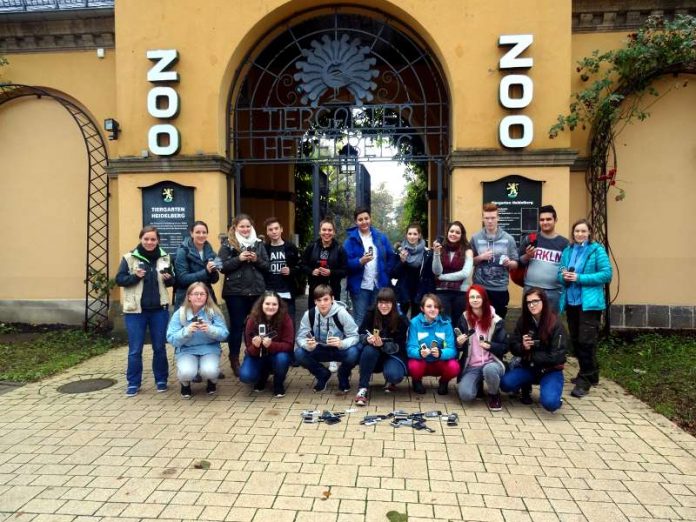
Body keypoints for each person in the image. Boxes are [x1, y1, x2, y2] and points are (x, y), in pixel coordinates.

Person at [115, 225, 173, 397]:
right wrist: (135, 277)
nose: (149, 242)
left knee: (159, 347)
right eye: (146, 239)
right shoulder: (129, 257)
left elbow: (172, 281)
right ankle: (133, 383)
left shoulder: (165, 257)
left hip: (159, 310)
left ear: (158, 241)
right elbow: (119, 279)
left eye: (153, 239)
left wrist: (169, 279)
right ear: (141, 239)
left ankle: (161, 379)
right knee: (135, 348)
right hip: (135, 311)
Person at [558, 219, 612, 398]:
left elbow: (606, 274)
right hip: (571, 302)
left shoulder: (597, 250)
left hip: (589, 303)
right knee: (576, 339)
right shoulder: (567, 251)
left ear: (589, 233)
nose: (579, 234)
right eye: (576, 231)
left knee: (586, 341)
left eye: (583, 231)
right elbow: (560, 273)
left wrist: (580, 277)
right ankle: (592, 373)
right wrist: (564, 276)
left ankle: (585, 380)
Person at [501, 287, 567, 412]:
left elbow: (558, 356)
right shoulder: (523, 320)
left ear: (544, 301)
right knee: (505, 384)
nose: (532, 305)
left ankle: (554, 394)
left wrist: (531, 354)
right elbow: (513, 345)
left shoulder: (555, 324)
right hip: (528, 367)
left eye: (535, 301)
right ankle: (525, 387)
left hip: (550, 370)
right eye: (529, 302)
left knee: (550, 404)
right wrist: (522, 346)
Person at [219, 214, 269, 376]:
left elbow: (267, 266)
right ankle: (234, 358)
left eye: (248, 226)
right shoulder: (227, 244)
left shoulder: (259, 243)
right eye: (242, 226)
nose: (245, 229)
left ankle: (253, 356)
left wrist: (256, 260)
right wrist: (239, 258)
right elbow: (221, 266)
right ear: (235, 228)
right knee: (237, 327)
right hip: (235, 293)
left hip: (256, 291)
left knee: (255, 326)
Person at [166, 282, 229, 399]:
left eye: (202, 294)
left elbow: (224, 334)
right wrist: (186, 332)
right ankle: (185, 384)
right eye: (195, 294)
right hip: (187, 350)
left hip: (209, 349)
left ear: (207, 296)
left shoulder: (213, 312)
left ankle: (212, 381)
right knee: (187, 372)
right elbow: (171, 338)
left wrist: (210, 330)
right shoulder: (180, 314)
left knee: (209, 370)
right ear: (189, 296)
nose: (199, 297)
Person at [295, 284, 360, 393]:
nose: (323, 303)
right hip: (320, 348)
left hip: (339, 348)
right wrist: (308, 345)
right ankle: (322, 374)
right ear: (315, 301)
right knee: (299, 353)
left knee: (354, 352)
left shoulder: (341, 313)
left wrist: (342, 343)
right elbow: (300, 337)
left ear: (332, 299)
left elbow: (355, 335)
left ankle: (343, 375)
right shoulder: (309, 314)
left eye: (326, 299)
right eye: (319, 300)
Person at [455, 285, 507, 411]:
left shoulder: (496, 320)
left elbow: (505, 347)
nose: (475, 299)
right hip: (472, 365)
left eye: (478, 297)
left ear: (484, 299)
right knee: (466, 395)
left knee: (489, 370)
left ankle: (494, 394)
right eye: (472, 297)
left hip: (492, 363)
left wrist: (491, 346)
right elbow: (459, 348)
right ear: (468, 300)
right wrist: (459, 343)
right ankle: (477, 385)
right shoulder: (464, 318)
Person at [354, 287, 410, 406]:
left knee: (394, 375)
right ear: (377, 303)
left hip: (393, 355)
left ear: (393, 304)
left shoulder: (401, 319)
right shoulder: (370, 313)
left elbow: (400, 346)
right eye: (381, 303)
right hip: (374, 354)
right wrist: (366, 339)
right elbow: (360, 334)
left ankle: (390, 380)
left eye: (387, 303)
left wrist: (383, 344)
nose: (384, 306)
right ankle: (362, 388)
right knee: (368, 350)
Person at [343, 207, 397, 327]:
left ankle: (376, 344)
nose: (364, 222)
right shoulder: (350, 241)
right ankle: (359, 344)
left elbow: (390, 256)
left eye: (366, 218)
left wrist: (385, 272)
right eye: (360, 219)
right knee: (360, 319)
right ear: (356, 222)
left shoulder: (380, 237)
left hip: (379, 285)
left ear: (370, 219)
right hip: (359, 287)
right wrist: (360, 261)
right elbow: (345, 263)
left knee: (378, 318)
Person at [240, 291, 295, 398]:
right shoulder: (252, 319)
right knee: (246, 376)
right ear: (261, 305)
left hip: (276, 355)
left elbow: (289, 344)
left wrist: (271, 345)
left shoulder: (285, 318)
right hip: (257, 355)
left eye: (274, 304)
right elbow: (249, 349)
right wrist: (256, 346)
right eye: (267, 304)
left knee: (283, 358)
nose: (271, 307)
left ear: (279, 306)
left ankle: (278, 383)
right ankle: (262, 376)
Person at [517, 205, 568, 313]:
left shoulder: (564, 243)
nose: (545, 222)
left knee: (551, 324)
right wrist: (527, 256)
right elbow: (517, 261)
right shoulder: (530, 239)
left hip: (554, 291)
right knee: (530, 323)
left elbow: (566, 266)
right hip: (531, 289)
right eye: (542, 220)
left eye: (548, 219)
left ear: (555, 220)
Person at [471, 203, 519, 319]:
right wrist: (481, 257)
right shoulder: (475, 238)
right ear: (483, 219)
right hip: (480, 287)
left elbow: (516, 264)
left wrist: (509, 263)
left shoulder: (508, 239)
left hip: (500, 288)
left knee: (498, 323)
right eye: (487, 218)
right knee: (479, 321)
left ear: (498, 218)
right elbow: (469, 262)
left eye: (493, 218)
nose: (490, 221)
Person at [406, 293, 459, 395]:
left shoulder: (446, 323)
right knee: (413, 366)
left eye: (436, 306)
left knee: (454, 366)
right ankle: (416, 381)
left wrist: (441, 353)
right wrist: (420, 353)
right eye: (429, 306)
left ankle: (444, 382)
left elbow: (452, 349)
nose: (433, 309)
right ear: (422, 308)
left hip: (439, 361)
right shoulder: (414, 323)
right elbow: (410, 348)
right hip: (422, 362)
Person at [432, 220, 474, 322]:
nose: (453, 234)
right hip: (442, 290)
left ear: (461, 235)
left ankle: (458, 339)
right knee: (444, 322)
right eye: (451, 231)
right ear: (447, 233)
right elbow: (437, 271)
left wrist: (442, 277)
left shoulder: (468, 250)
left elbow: (465, 273)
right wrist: (436, 254)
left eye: (457, 232)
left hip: (460, 292)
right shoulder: (440, 248)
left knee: (458, 323)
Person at [173, 220, 220, 309]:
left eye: (204, 232)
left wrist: (213, 271)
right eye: (198, 232)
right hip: (186, 298)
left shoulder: (212, 253)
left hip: (206, 298)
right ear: (192, 233)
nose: (201, 235)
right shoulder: (182, 251)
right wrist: (206, 271)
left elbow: (214, 280)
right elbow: (183, 279)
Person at [262, 217, 300, 325]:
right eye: (270, 229)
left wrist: (291, 271)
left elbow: (300, 266)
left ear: (281, 229)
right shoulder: (264, 249)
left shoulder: (290, 247)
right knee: (270, 325)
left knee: (289, 324)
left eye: (276, 228)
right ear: (267, 232)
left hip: (287, 292)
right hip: (269, 292)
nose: (274, 231)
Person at [302, 218, 347, 307]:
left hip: (333, 291)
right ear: (320, 231)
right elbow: (302, 265)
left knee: (332, 319)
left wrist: (331, 272)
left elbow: (345, 271)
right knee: (314, 318)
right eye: (324, 230)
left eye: (330, 230)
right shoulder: (311, 247)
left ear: (334, 232)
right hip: (315, 291)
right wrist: (312, 271)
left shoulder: (340, 249)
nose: (327, 233)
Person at [392, 224, 427, 317]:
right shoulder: (399, 251)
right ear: (406, 235)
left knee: (416, 321)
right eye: (410, 234)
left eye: (415, 234)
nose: (412, 237)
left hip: (419, 292)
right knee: (400, 320)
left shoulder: (425, 252)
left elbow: (427, 274)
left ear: (419, 235)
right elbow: (394, 273)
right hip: (403, 291)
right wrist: (402, 261)